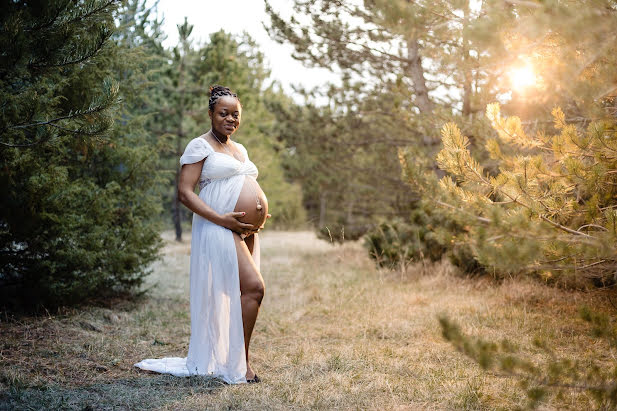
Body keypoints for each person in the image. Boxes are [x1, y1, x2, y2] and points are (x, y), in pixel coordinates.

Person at [135, 85, 268, 384]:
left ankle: (235, 359)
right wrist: (222, 217)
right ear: (210, 113)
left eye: (236, 114)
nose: (230, 119)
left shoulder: (239, 149)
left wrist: (259, 209)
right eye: (223, 113)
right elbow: (184, 192)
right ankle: (241, 365)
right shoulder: (199, 146)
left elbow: (238, 184)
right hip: (218, 225)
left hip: (243, 228)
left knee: (240, 293)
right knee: (254, 288)